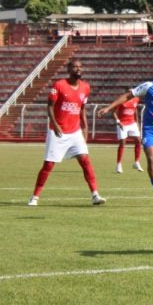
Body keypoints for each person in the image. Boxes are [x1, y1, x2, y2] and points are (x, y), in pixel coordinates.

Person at [98, 63, 153, 208]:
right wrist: (109, 107)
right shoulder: (149, 86)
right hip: (150, 129)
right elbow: (128, 95)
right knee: (152, 158)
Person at [28, 58, 107, 206]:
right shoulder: (59, 85)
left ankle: (95, 194)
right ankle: (35, 197)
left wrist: (85, 128)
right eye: (75, 67)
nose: (78, 69)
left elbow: (82, 110)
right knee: (49, 165)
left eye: (80, 67)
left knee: (85, 161)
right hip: (57, 131)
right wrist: (55, 124)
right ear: (68, 70)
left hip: (75, 131)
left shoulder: (85, 87)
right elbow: (49, 106)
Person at [113, 95, 144, 174]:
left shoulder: (136, 99)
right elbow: (113, 112)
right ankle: (119, 164)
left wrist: (137, 122)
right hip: (122, 123)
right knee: (122, 143)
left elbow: (135, 110)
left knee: (138, 140)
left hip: (132, 123)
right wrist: (118, 122)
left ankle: (136, 162)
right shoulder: (121, 100)